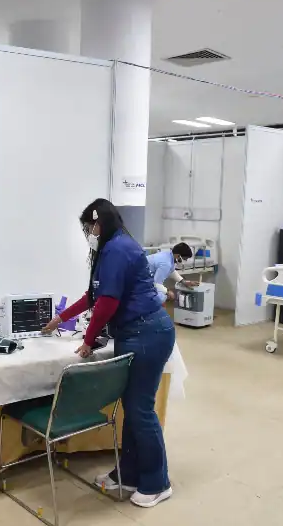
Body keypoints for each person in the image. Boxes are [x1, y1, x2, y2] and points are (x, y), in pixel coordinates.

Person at [41, 198, 174, 508]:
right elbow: (94, 295)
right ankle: (129, 474)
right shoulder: (112, 248)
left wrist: (88, 341)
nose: (88, 233)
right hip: (135, 333)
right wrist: (61, 318)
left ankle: (158, 483)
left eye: (89, 227)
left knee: (141, 410)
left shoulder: (117, 249)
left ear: (99, 224)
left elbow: (108, 304)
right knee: (133, 408)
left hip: (147, 334)